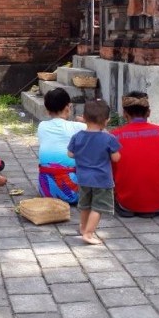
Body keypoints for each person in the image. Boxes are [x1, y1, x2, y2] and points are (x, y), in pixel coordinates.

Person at [111, 91, 159, 217]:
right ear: (148, 112)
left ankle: (134, 205)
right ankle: (150, 206)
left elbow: (111, 173)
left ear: (124, 114)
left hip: (126, 203)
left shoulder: (114, 136)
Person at [67, 100, 121, 245]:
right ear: (107, 120)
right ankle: (89, 234)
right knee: (98, 207)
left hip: (83, 178)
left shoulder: (77, 136)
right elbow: (116, 158)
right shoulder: (109, 138)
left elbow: (70, 154)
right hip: (102, 180)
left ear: (83, 117)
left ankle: (83, 227)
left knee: (85, 205)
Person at [37, 88, 88, 204]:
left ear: (48, 111)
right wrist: (85, 121)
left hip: (45, 189)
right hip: (71, 189)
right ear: (68, 107)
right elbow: (97, 130)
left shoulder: (42, 126)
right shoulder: (77, 126)